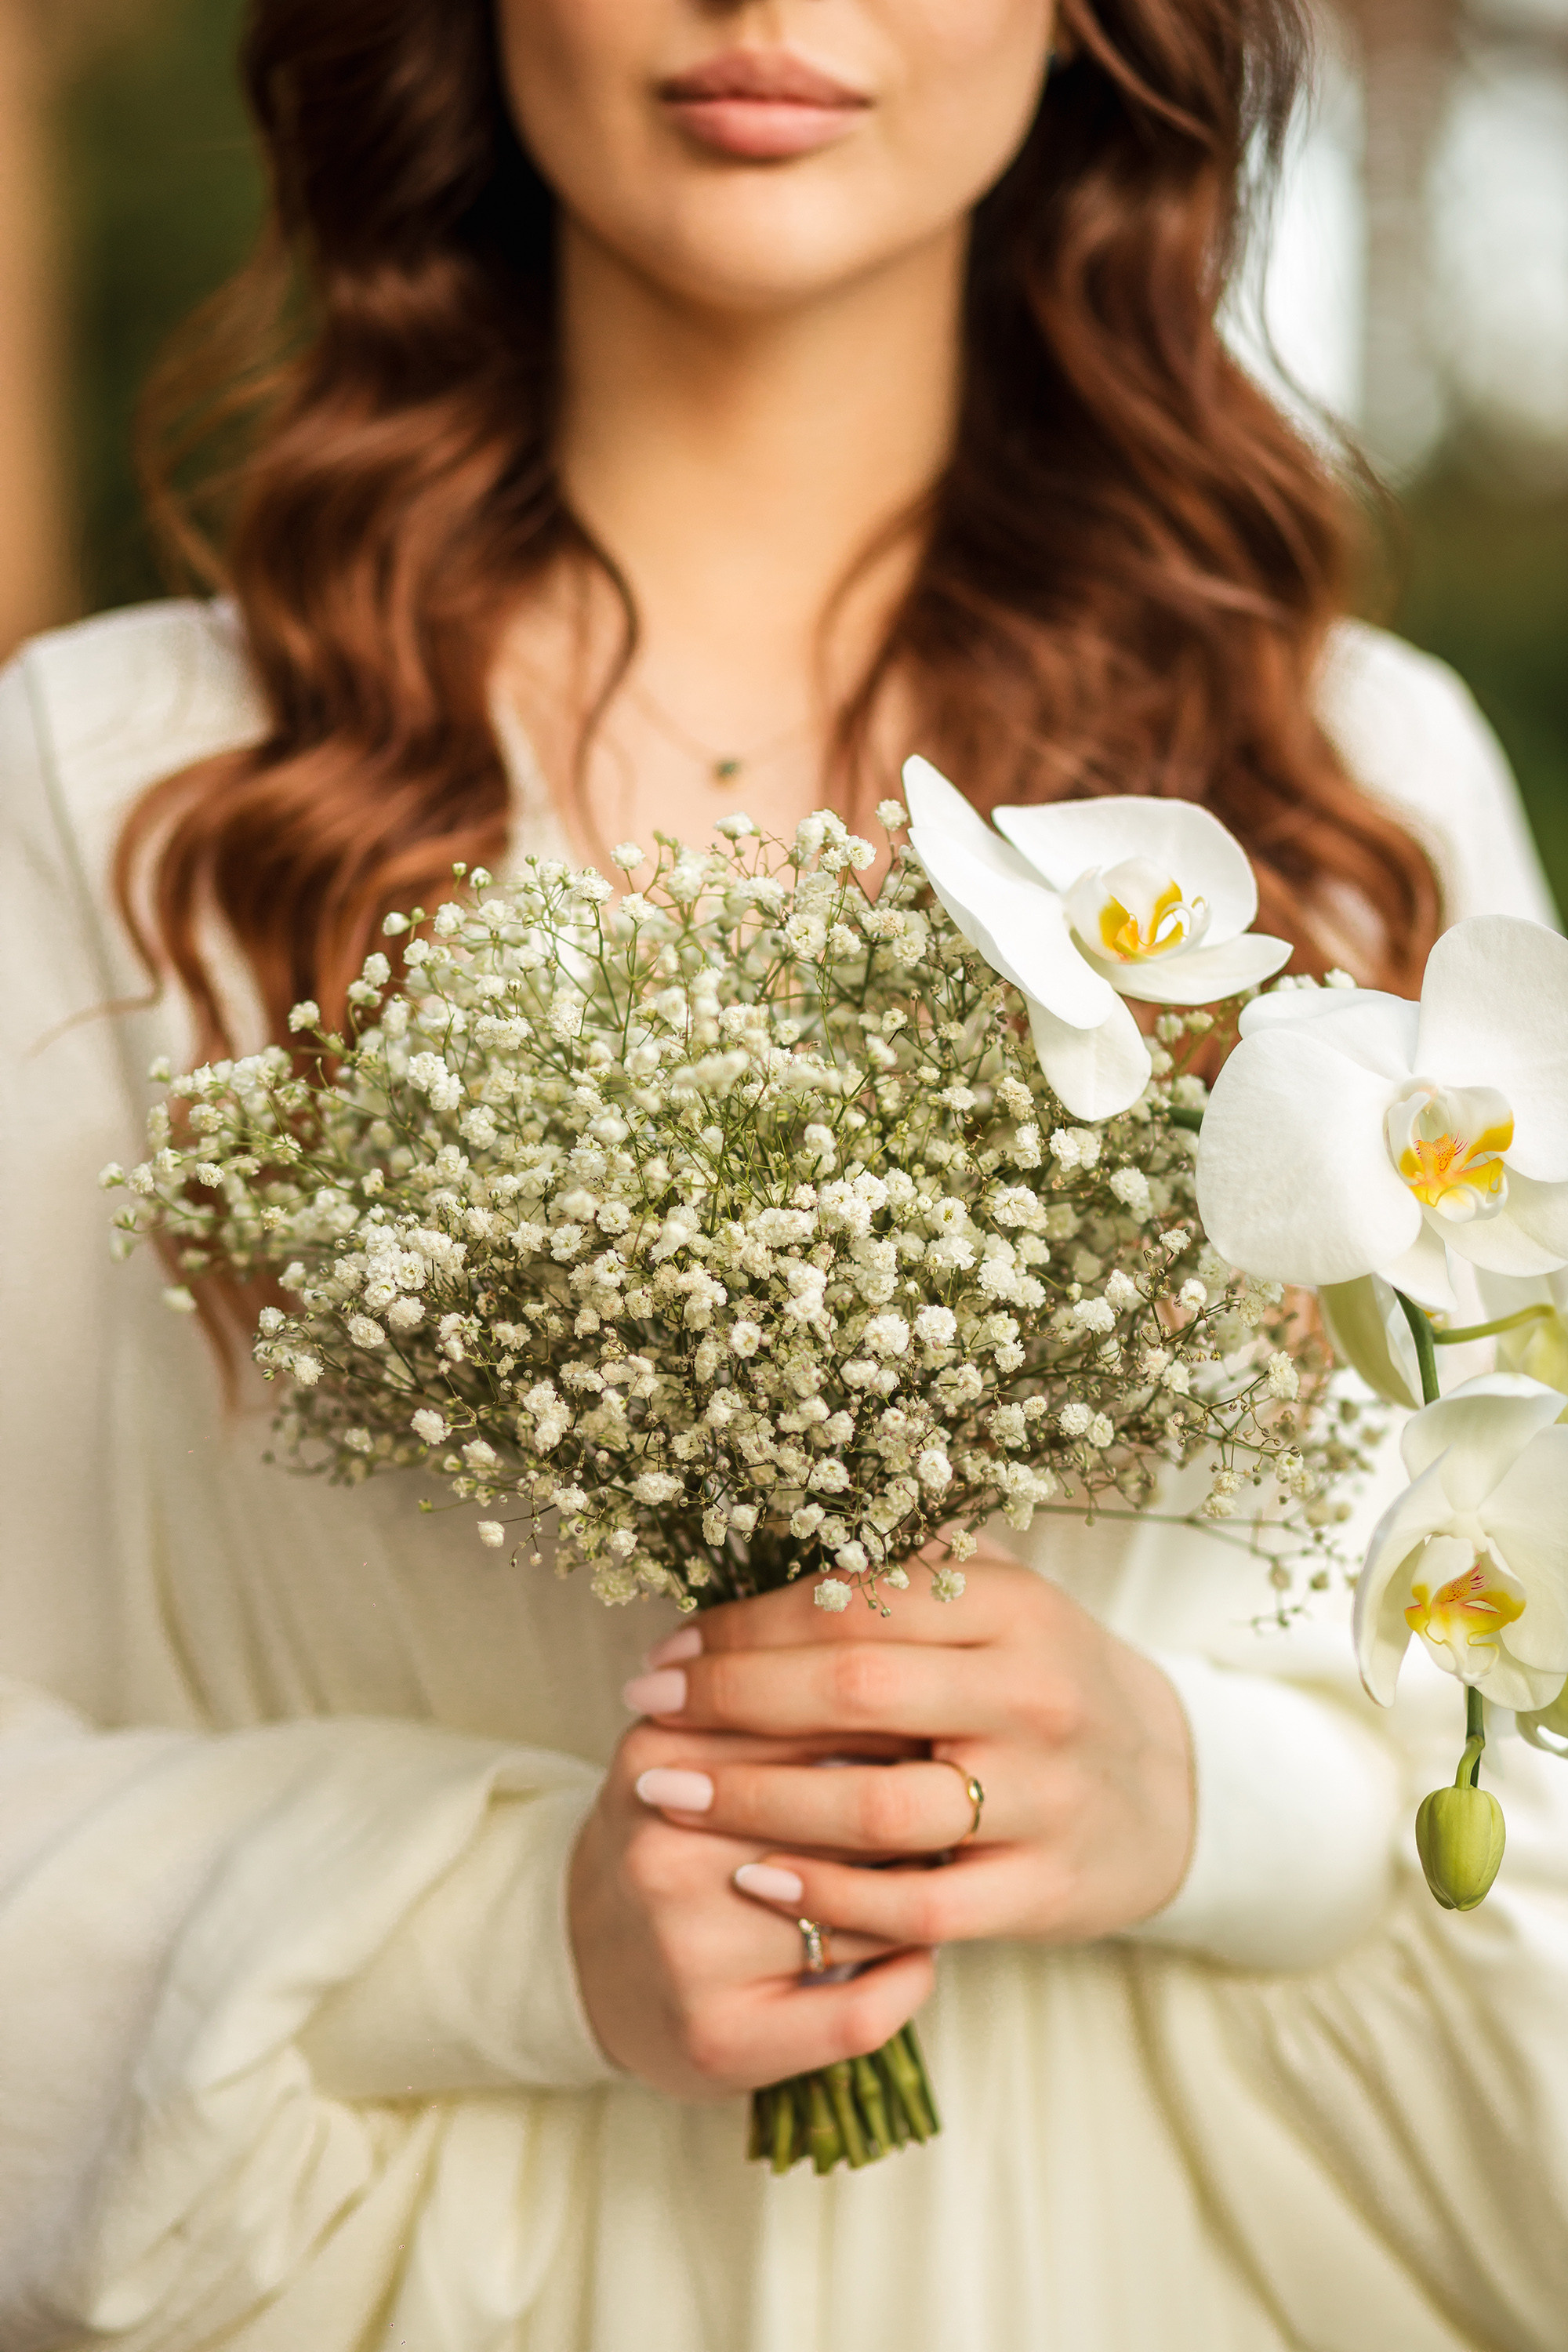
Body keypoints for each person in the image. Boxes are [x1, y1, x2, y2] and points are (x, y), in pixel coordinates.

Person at [4, 3, 1566, 2347]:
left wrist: (1191, 1796)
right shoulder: (118, 797)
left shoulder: (1348, 798)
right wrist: (515, 1929)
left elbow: (1528, 1733)